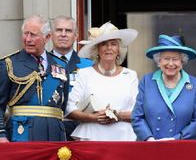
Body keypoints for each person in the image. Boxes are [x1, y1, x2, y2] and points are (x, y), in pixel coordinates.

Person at [65, 22, 139, 141]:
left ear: (119, 50)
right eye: (104, 44)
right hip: (91, 138)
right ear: (97, 50)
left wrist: (116, 115)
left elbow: (138, 112)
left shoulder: (130, 75)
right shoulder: (84, 74)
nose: (109, 48)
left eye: (113, 44)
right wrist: (93, 117)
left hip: (123, 139)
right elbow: (69, 108)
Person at [0, 14, 69, 142]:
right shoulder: (9, 64)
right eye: (25, 34)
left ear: (47, 37)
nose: (28, 39)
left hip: (54, 135)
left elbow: (62, 106)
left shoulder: (61, 65)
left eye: (33, 35)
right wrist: (1, 135)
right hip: (21, 134)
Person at [132, 34, 196, 141]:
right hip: (149, 147)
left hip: (181, 147)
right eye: (166, 58)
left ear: (182, 61)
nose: (170, 63)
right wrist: (149, 139)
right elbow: (137, 117)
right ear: (159, 61)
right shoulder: (147, 81)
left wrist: (176, 139)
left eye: (175, 59)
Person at [51, 15, 94, 141]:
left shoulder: (89, 66)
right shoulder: (41, 64)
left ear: (75, 36)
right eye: (59, 30)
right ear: (51, 35)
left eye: (68, 31)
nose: (63, 34)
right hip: (51, 128)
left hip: (81, 128)